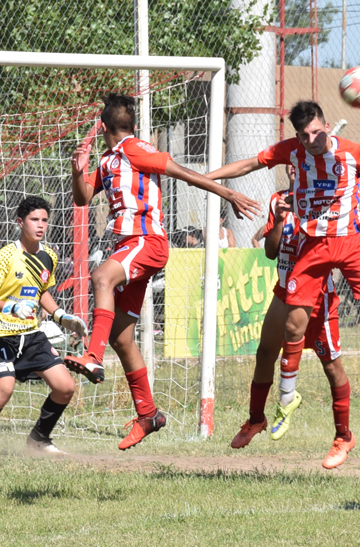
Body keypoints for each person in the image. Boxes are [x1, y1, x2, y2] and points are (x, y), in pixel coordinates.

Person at [207, 100, 360, 429]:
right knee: (292, 326)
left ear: (327, 126)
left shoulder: (350, 151)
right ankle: (287, 399)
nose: (311, 140)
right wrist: (203, 178)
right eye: (304, 135)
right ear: (297, 137)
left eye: (317, 132)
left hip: (349, 244)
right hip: (312, 247)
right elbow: (248, 165)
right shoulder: (291, 151)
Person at [67, 93, 261, 450]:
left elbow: (183, 173)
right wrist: (78, 171)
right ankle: (148, 414)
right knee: (122, 337)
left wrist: (226, 193)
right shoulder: (109, 159)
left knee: (100, 277)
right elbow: (82, 198)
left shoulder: (136, 150)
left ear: (104, 126)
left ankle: (92, 357)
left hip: (147, 241)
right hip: (128, 245)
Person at [0, 197, 87, 464]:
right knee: (4, 388)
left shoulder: (49, 256)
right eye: (34, 219)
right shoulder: (6, 255)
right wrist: (11, 309)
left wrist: (62, 317)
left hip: (31, 334)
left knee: (65, 387)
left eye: (44, 220)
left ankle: (39, 439)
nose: (40, 225)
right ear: (20, 222)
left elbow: (42, 291)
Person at [230, 189, 355, 468]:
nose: (293, 166)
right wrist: (278, 222)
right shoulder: (278, 199)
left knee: (332, 367)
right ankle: (256, 420)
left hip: (317, 296)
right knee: (264, 353)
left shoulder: (324, 198)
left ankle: (343, 436)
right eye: (291, 159)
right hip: (284, 291)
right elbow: (271, 252)